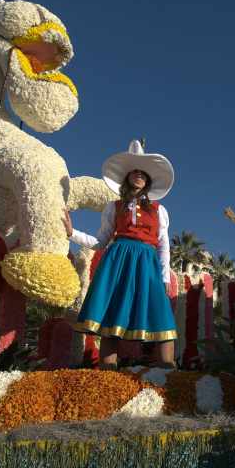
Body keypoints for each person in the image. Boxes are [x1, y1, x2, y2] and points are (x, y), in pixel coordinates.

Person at [62, 140, 177, 369]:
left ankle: (168, 372)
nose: (138, 175)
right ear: (126, 177)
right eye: (134, 171)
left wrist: (164, 276)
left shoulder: (159, 210)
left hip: (147, 261)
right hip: (118, 260)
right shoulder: (113, 207)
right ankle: (107, 373)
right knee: (113, 311)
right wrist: (71, 232)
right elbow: (100, 241)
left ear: (148, 181)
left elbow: (163, 245)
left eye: (143, 173)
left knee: (160, 311)